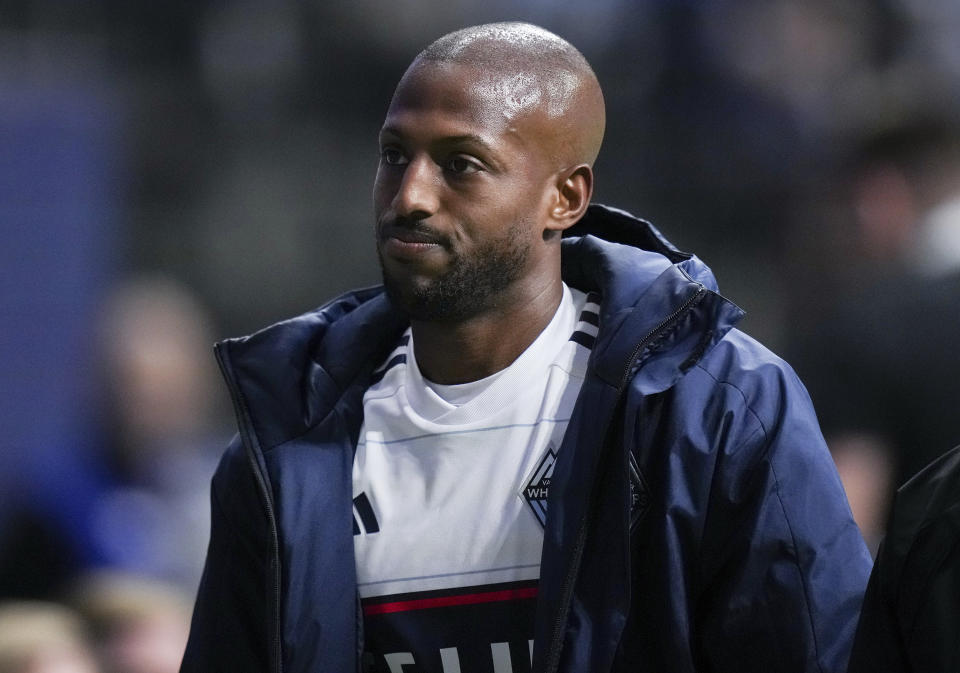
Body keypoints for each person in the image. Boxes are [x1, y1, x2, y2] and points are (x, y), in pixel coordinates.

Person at [181, 22, 871, 673]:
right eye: (395, 156)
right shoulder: (285, 447)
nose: (411, 195)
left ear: (564, 198)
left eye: (462, 164)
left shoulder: (715, 408)